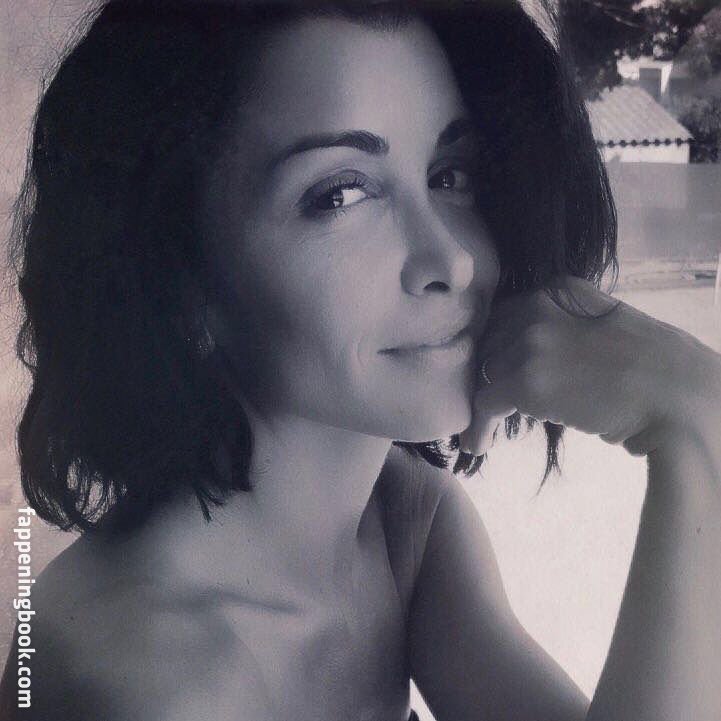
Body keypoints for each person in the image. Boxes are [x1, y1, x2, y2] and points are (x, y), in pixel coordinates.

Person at [1, 1, 720, 719]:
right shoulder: (155, 686)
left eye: (449, 174)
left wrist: (692, 415)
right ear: (182, 281)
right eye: (341, 193)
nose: (453, 259)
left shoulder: (403, 521)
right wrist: (693, 426)